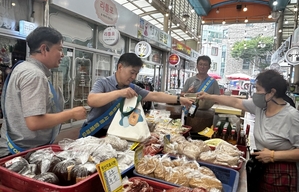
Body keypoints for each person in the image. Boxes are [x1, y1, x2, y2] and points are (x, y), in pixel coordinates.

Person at [198, 69, 299, 192]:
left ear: (271, 92)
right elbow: (234, 102)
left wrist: (273, 155)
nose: (254, 93)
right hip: (260, 168)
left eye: (258, 89)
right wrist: (208, 96)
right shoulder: (260, 107)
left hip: (281, 174)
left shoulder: (291, 116)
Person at [0, 27, 87, 158]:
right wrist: (72, 113)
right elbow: (34, 122)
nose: (62, 54)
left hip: (19, 149)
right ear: (44, 49)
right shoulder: (34, 75)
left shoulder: (22, 68)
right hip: (20, 153)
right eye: (59, 49)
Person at [84, 52, 193, 137]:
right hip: (94, 131)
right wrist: (119, 93)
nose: (134, 77)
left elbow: (154, 96)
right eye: (132, 72)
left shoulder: (131, 87)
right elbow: (92, 100)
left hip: (115, 133)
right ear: (120, 67)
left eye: (136, 73)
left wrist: (179, 99)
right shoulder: (102, 83)